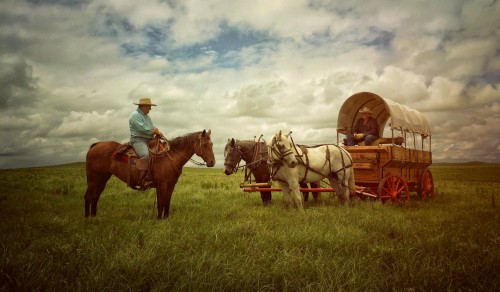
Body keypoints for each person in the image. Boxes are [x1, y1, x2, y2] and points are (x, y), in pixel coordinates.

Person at [129, 98, 163, 188]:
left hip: (148, 139)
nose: (150, 109)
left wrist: (158, 131)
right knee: (145, 155)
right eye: (149, 107)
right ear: (143, 106)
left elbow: (151, 127)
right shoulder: (134, 115)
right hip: (138, 139)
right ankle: (143, 179)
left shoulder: (147, 117)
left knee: (160, 151)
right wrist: (154, 132)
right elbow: (142, 128)